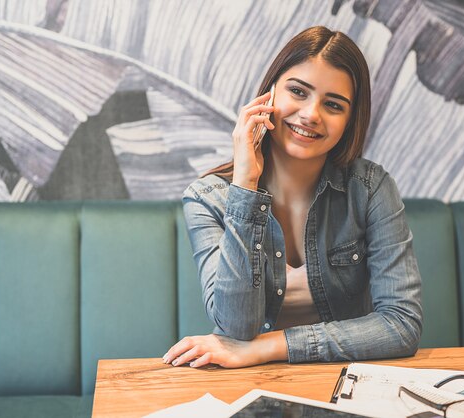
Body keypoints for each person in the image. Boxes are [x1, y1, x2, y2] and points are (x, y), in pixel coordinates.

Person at [163, 26, 422, 369]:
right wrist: (245, 186)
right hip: (246, 384)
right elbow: (236, 327)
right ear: (268, 95)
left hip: (343, 382)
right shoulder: (208, 198)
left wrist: (270, 346)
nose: (311, 114)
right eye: (298, 91)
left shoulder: (371, 188)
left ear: (349, 120)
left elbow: (402, 325)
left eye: (333, 104)